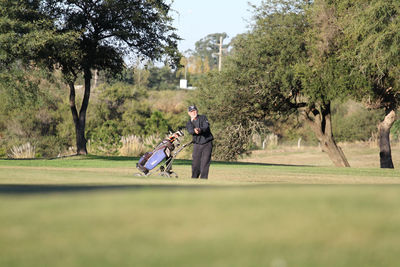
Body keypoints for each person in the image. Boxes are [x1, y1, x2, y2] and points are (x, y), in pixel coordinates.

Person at [186, 105, 214, 179]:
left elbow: (206, 127)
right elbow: (190, 130)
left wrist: (199, 130)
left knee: (205, 163)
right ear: (189, 113)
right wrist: (195, 131)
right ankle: (194, 178)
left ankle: (203, 180)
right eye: (191, 111)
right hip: (197, 144)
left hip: (207, 143)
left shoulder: (203, 117)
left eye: (194, 111)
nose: (193, 112)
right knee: (195, 163)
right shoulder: (189, 123)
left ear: (197, 111)